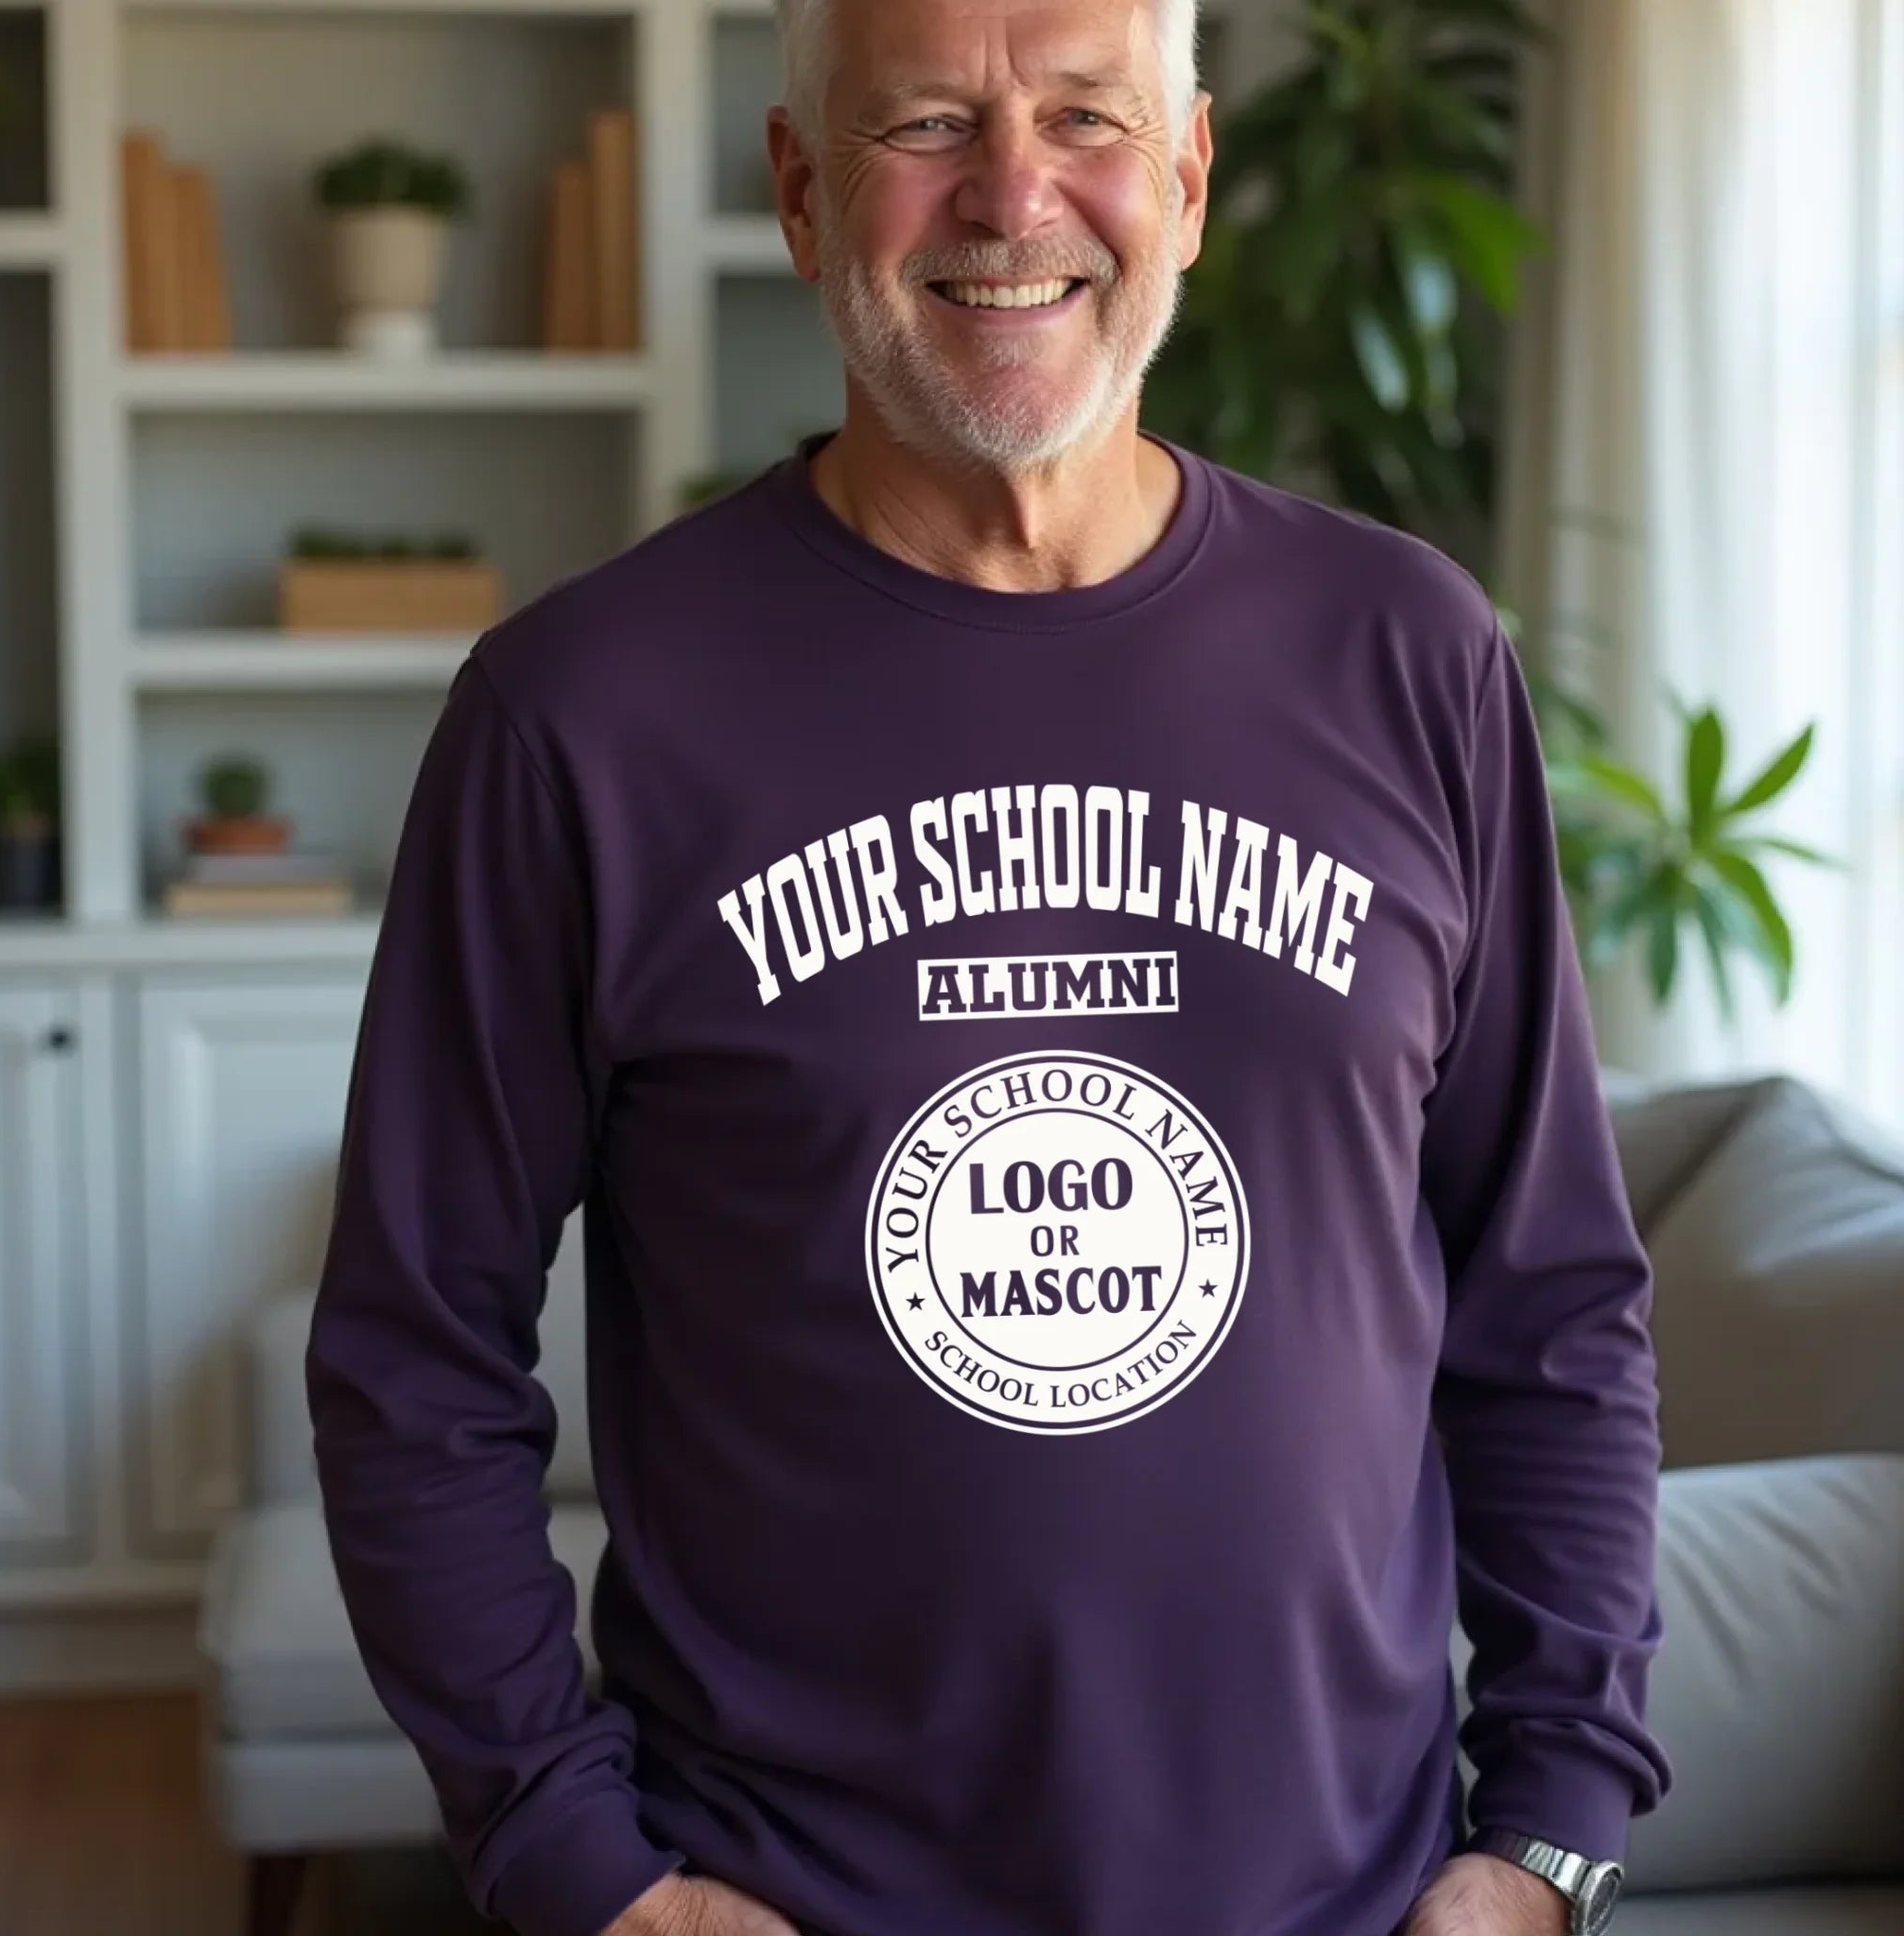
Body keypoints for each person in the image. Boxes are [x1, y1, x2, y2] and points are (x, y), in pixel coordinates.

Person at [305, 0, 1674, 1932]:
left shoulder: (1412, 659)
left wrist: (1547, 1832)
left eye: (1084, 119)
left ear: (1187, 178)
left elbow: (1549, 1302)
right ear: (798, 191)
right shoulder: (583, 716)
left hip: (1344, 1903)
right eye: (927, 124)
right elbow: (411, 1356)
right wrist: (578, 1866)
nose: (1014, 195)